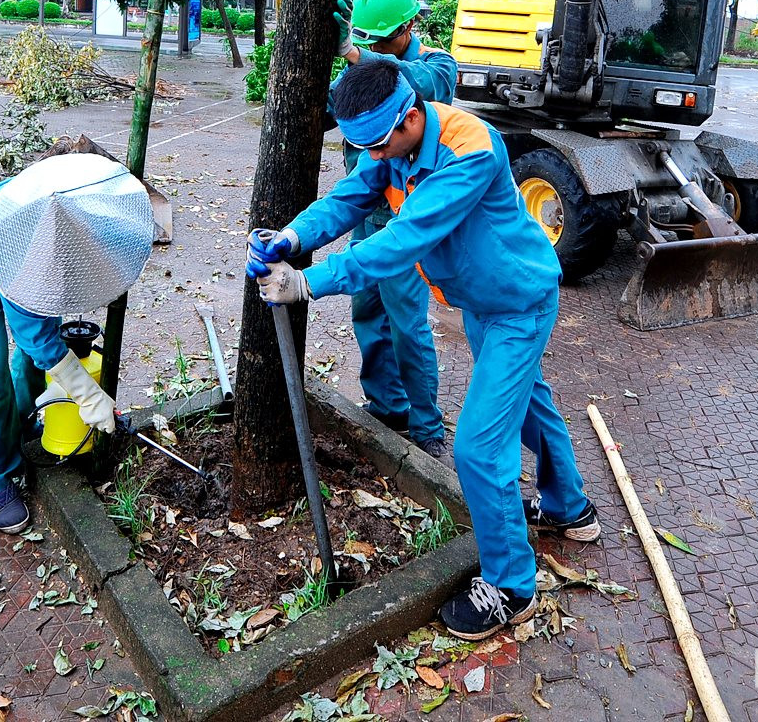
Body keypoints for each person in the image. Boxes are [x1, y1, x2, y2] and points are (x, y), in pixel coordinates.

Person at [248, 58, 600, 641]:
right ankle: (570, 509)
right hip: (486, 302)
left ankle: (512, 586)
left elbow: (402, 240)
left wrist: (308, 282)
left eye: (380, 148)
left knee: (479, 448)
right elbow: (348, 198)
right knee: (531, 404)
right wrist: (292, 236)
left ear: (410, 118)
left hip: (520, 304)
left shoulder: (470, 149)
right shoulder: (392, 144)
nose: (375, 160)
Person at [0, 153, 154, 533]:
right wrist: (88, 395)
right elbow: (38, 340)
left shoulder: (76, 204)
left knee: (30, 367)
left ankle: (20, 427)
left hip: (12, 246)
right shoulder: (27, 259)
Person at [330, 0, 456, 459]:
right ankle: (386, 406)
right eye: (361, 40)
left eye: (377, 41)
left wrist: (358, 56)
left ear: (407, 30)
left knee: (407, 323)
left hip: (405, 219)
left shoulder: (434, 65)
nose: (367, 48)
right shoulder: (355, 65)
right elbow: (331, 108)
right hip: (367, 211)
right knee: (367, 311)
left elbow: (425, 86)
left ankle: (426, 428)